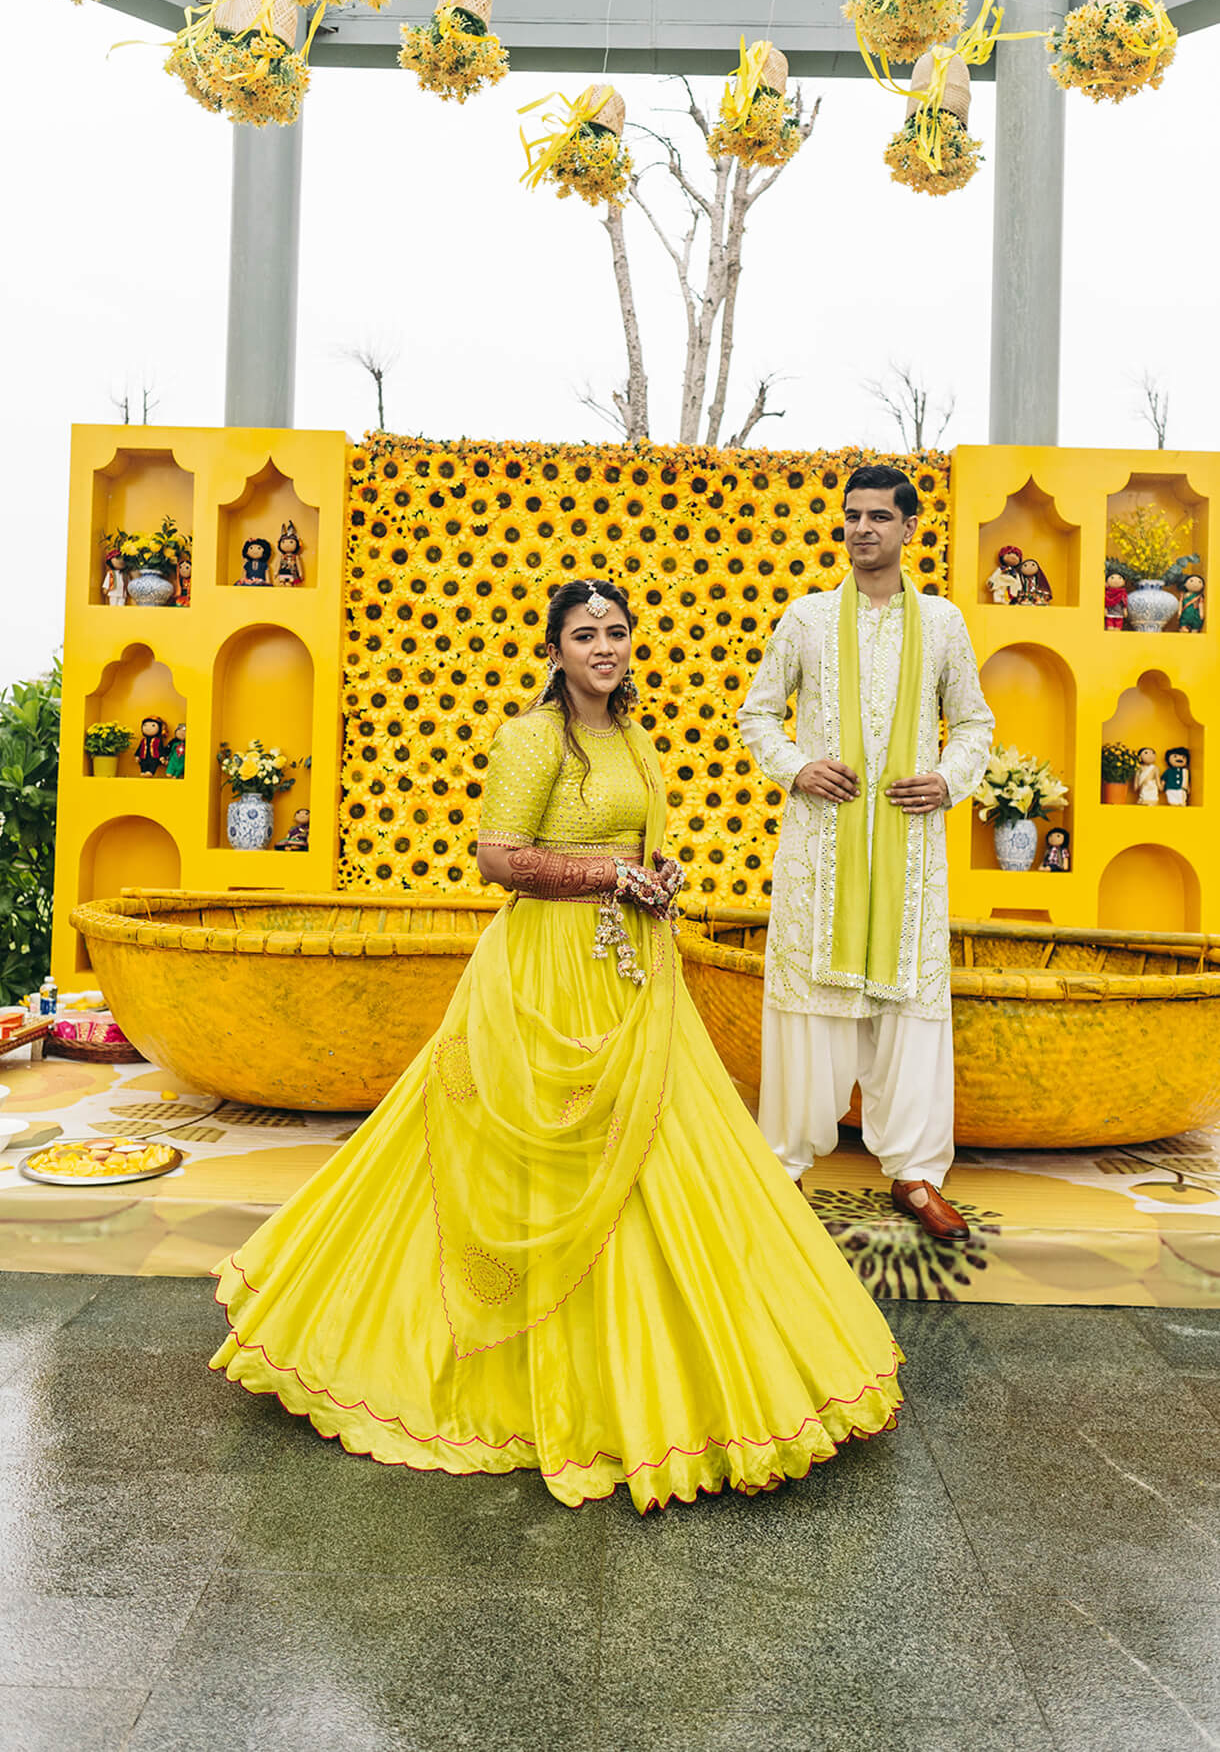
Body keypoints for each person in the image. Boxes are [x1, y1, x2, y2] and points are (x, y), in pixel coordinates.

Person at [210, 579, 903, 1511]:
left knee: (662, 1156)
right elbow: (499, 857)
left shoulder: (634, 737)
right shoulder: (532, 739)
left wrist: (656, 872)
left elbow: (638, 843)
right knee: (522, 1161)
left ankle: (660, 1379)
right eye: (585, 635)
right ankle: (479, 1372)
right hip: (544, 974)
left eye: (616, 632)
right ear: (556, 650)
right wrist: (610, 871)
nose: (604, 648)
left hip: (634, 973)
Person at [738, 465, 994, 1243]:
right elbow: (758, 714)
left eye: (879, 516)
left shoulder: (944, 623)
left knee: (906, 1012)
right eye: (852, 516)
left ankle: (914, 1174)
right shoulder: (807, 620)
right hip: (823, 854)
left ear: (909, 528)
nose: (861, 529)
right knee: (810, 1007)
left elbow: (976, 724)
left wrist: (949, 780)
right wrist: (797, 767)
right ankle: (783, 1166)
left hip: (909, 859)